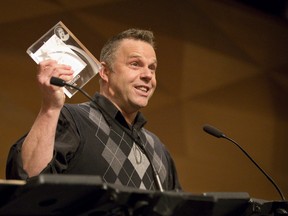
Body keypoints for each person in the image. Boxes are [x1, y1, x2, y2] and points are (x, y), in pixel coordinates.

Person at [6, 29, 182, 191]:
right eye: (135, 64)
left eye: (152, 67)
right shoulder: (72, 120)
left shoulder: (157, 148)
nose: (147, 75)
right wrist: (50, 108)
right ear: (105, 72)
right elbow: (27, 179)